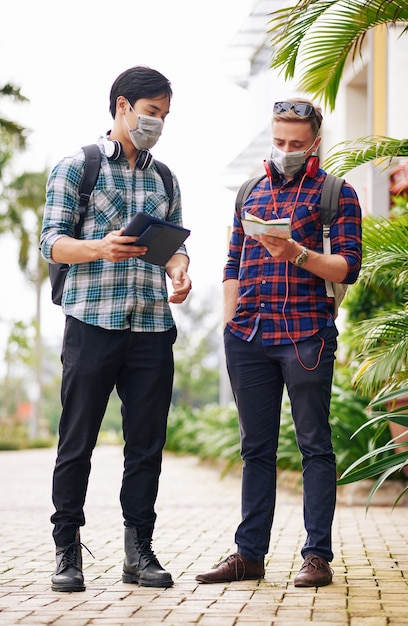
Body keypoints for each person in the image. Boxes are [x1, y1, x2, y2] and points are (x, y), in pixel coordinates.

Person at [196, 98, 362, 587]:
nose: (285, 149)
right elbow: (232, 262)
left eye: (296, 142)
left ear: (315, 141)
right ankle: (249, 555)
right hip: (248, 336)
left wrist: (297, 253)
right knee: (256, 450)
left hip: (306, 335)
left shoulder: (336, 194)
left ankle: (317, 556)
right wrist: (230, 322)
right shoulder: (249, 190)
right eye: (279, 140)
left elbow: (347, 265)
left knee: (314, 446)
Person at [40, 65, 192, 592]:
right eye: (152, 113)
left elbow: (174, 245)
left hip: (151, 324)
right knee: (76, 440)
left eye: (165, 116)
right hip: (92, 322)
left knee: (146, 444)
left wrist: (179, 269)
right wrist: (98, 248)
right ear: (123, 106)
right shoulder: (75, 168)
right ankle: (67, 553)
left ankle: (138, 552)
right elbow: (51, 243)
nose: (158, 124)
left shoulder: (165, 178)